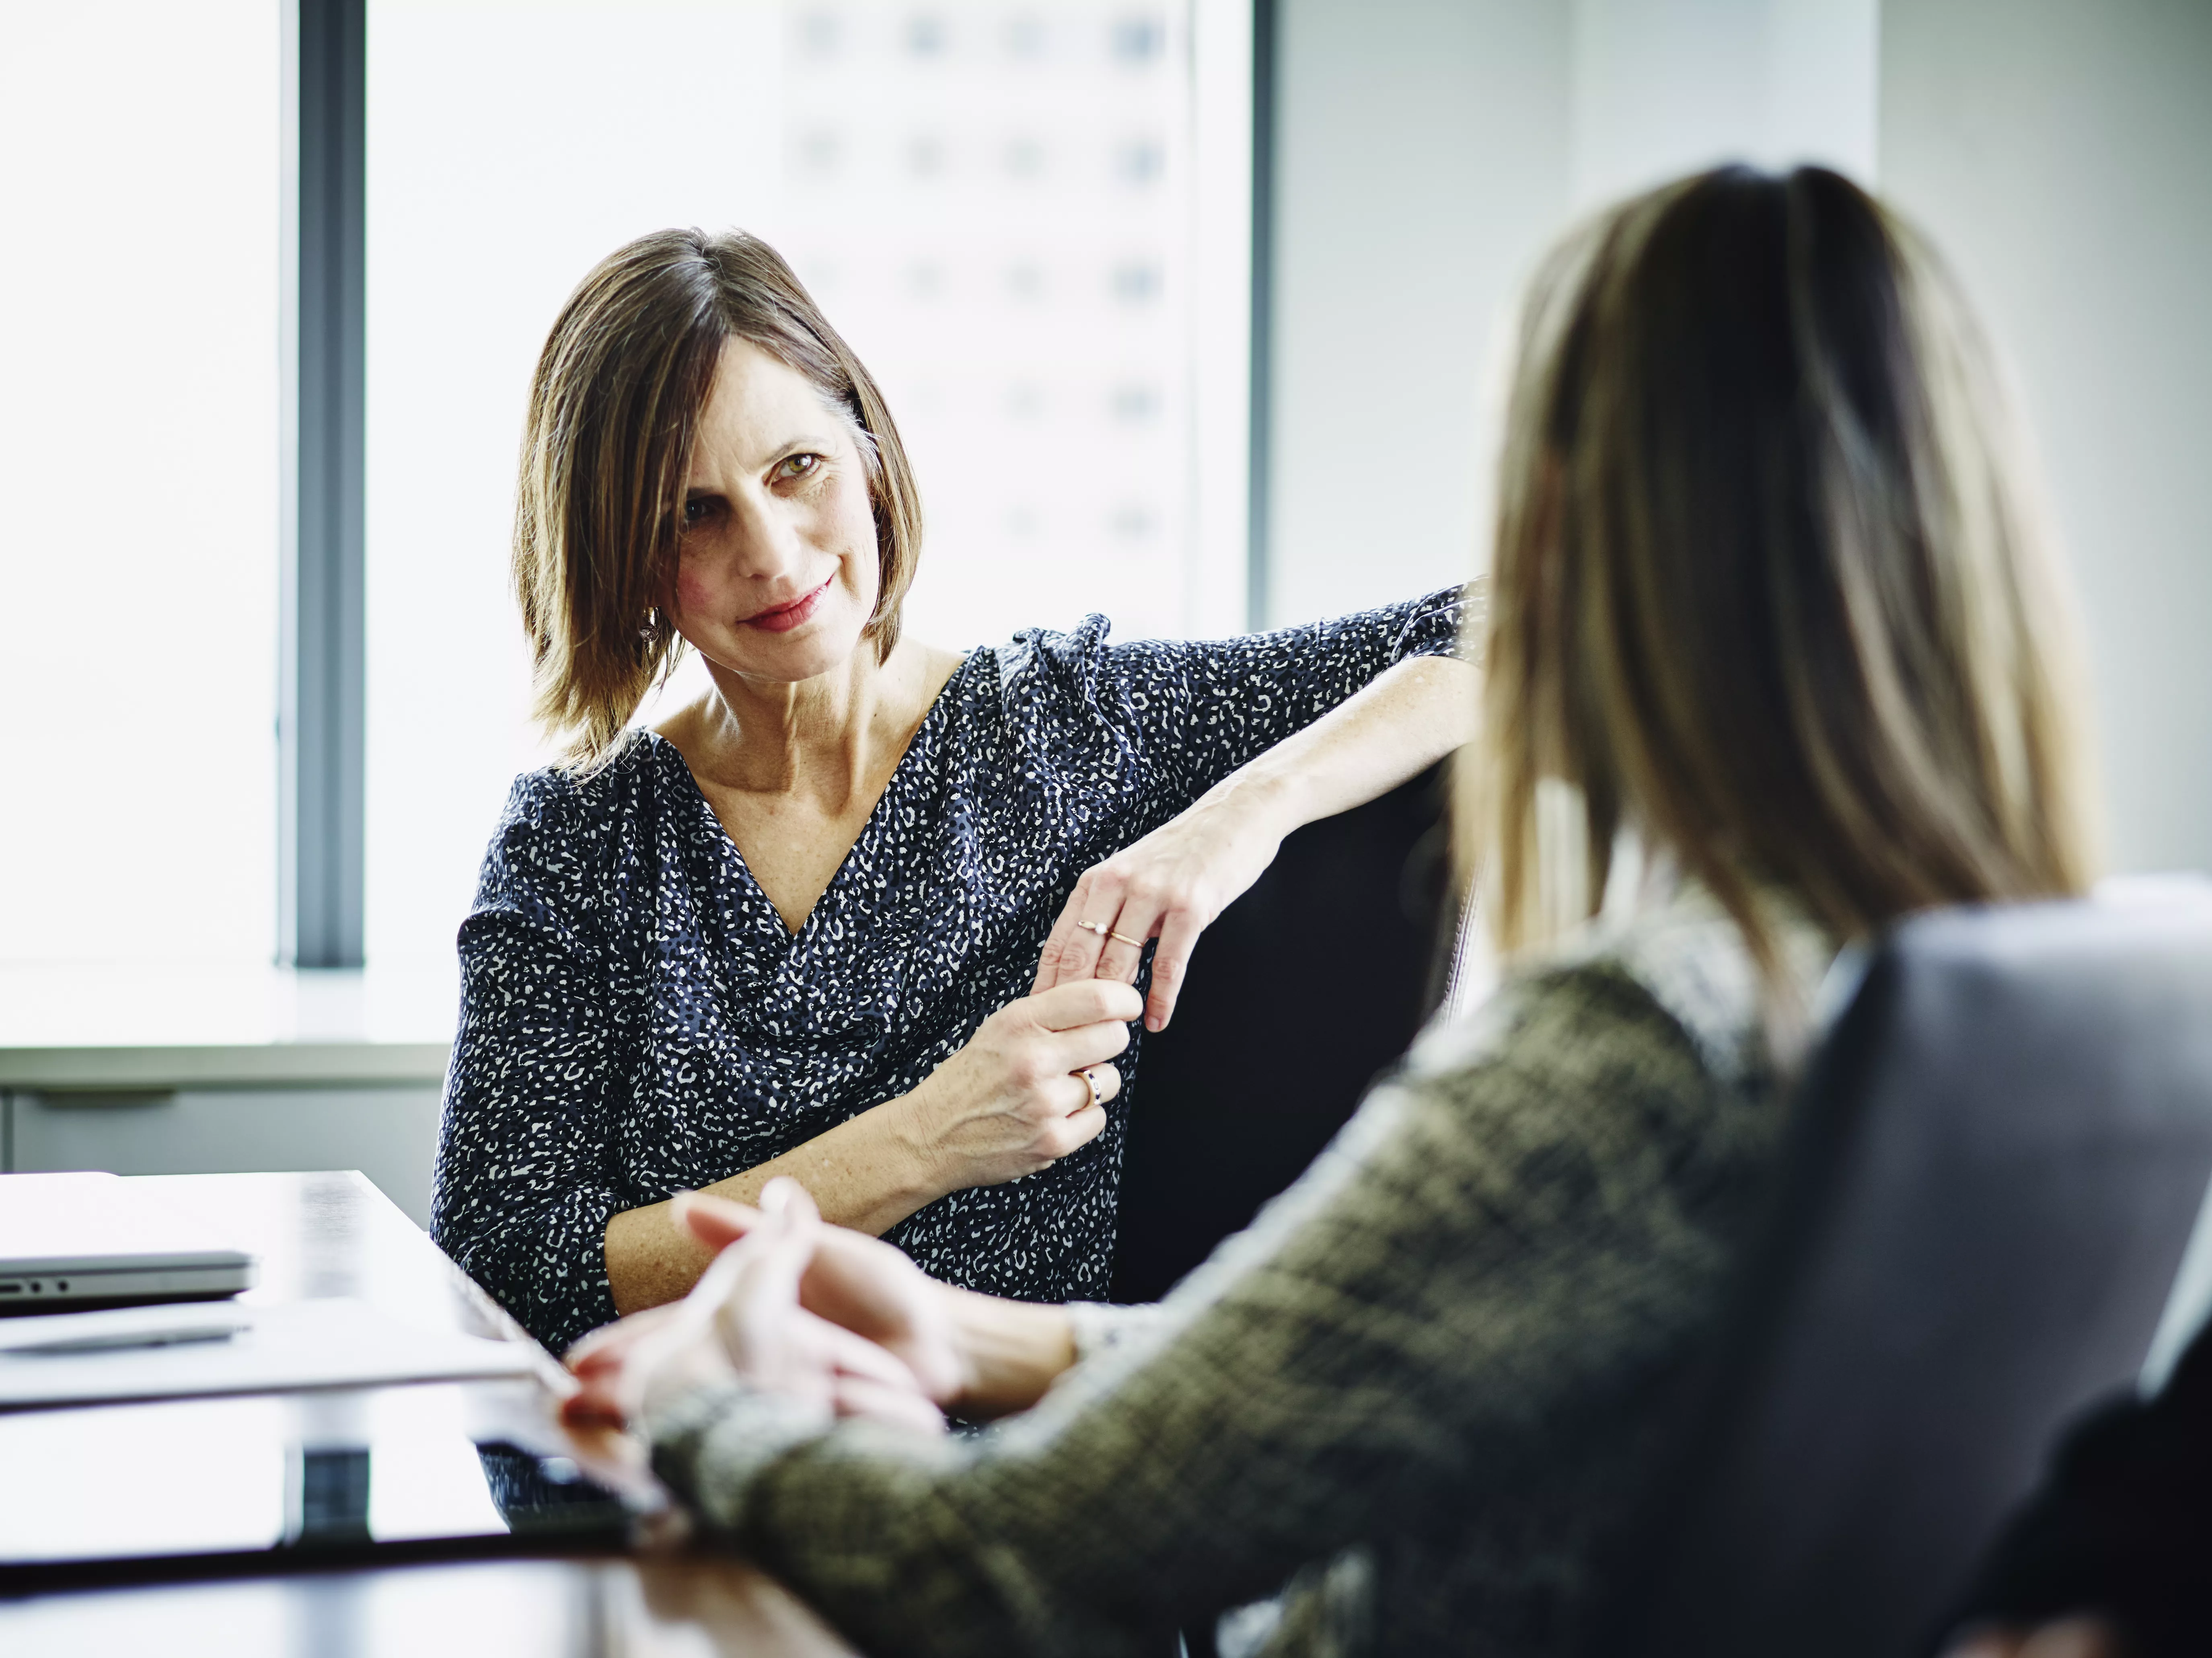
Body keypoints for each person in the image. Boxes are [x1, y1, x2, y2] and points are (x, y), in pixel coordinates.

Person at [559, 164, 2099, 1656]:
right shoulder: (2024, 1015)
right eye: (693, 513)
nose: (763, 549)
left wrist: (708, 1406)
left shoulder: (1629, 1049)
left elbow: (992, 1567)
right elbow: (1431, 1346)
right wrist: (980, 1335)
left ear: (1571, 518)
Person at [430, 227, 1476, 1354]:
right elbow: (503, 1265)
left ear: (867, 450)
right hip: (654, 1472)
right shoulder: (578, 836)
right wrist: (927, 1139)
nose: (775, 557)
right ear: (619, 553)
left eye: (797, 468)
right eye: (695, 513)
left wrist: (1239, 813)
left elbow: (1521, 623)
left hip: (996, 1472)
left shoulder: (1068, 728)